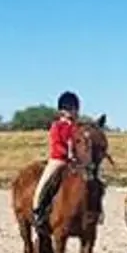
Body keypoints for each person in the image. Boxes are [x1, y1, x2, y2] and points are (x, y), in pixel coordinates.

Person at [29, 91, 83, 229]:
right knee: (45, 181)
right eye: (70, 108)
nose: (73, 111)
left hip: (74, 161)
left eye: (75, 108)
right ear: (62, 111)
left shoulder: (77, 127)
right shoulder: (57, 126)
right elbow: (57, 143)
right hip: (58, 159)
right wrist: (67, 154)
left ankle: (94, 211)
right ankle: (37, 208)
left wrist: (78, 156)